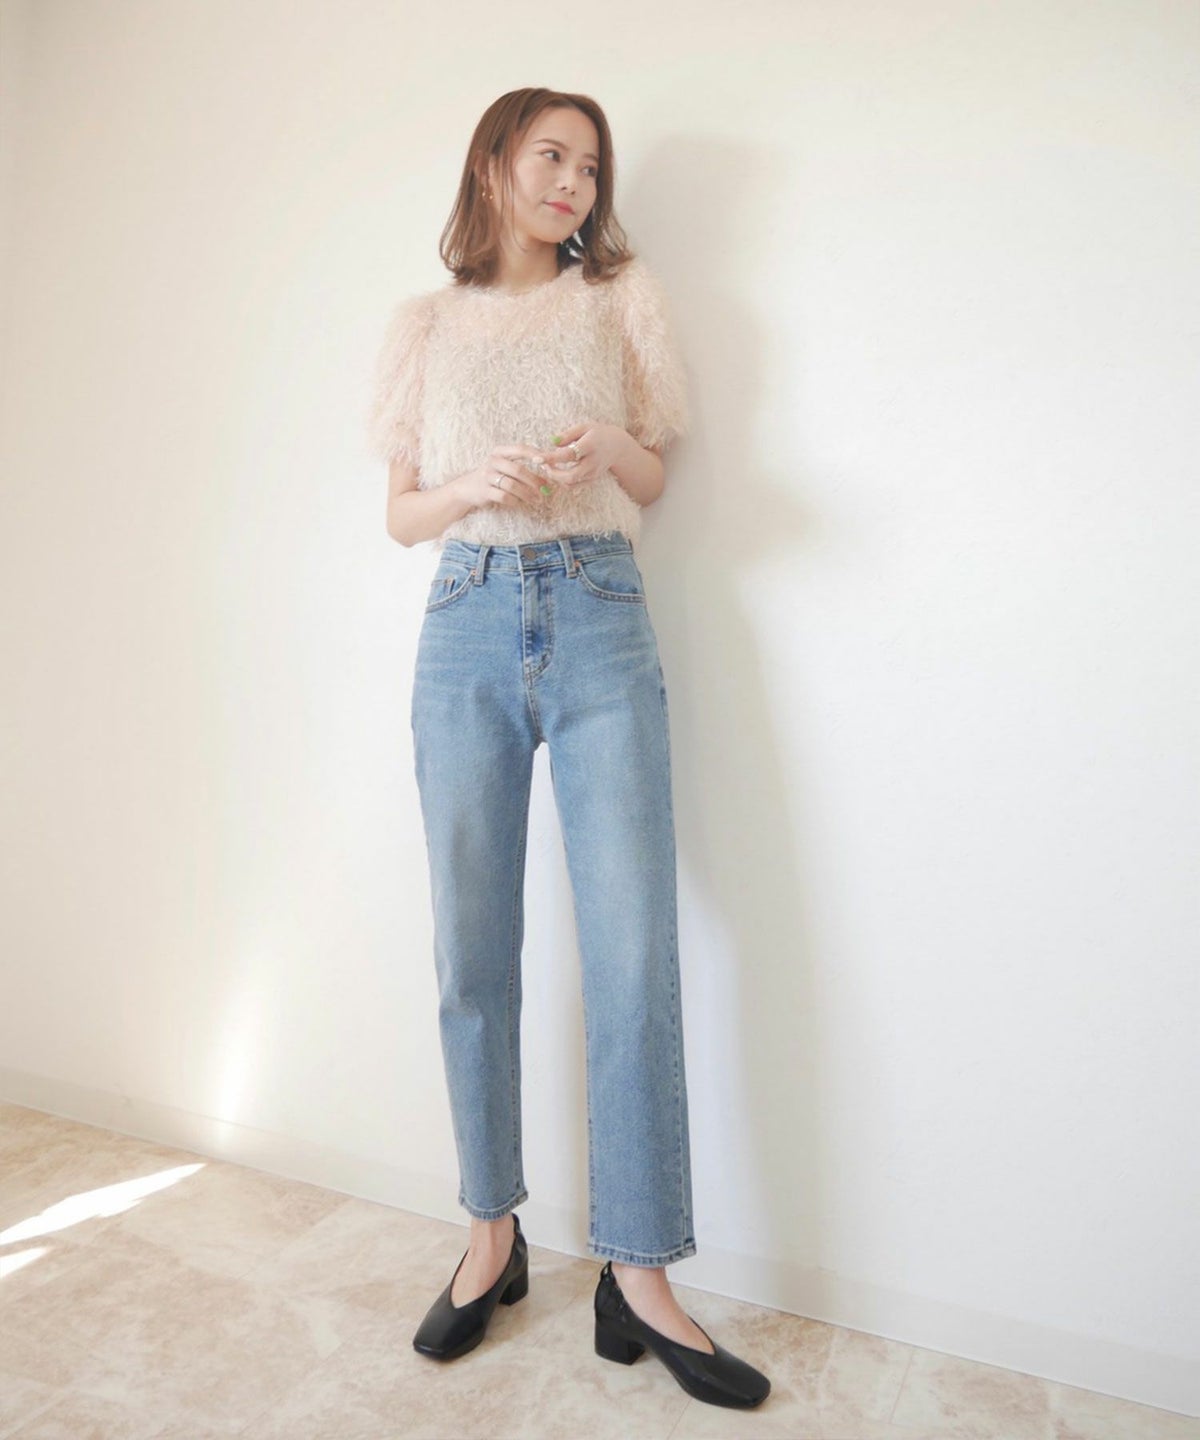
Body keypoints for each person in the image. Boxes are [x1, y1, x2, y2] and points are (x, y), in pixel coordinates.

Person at [366, 87, 770, 1411]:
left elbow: (654, 474)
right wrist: (464, 488)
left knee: (636, 952)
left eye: (590, 168)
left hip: (600, 617)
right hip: (466, 622)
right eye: (552, 156)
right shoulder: (423, 326)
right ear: (493, 162)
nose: (573, 185)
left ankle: (638, 1272)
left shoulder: (619, 302)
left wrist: (609, 449)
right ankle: (492, 1236)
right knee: (471, 951)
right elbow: (400, 515)